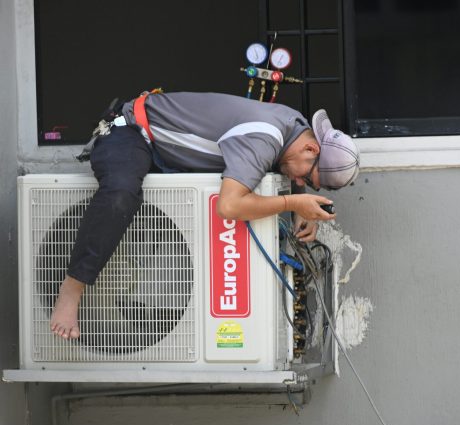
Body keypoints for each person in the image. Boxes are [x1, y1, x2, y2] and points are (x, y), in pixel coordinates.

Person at [50, 91, 359, 340]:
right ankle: (71, 289)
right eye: (309, 177)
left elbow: (290, 168)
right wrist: (292, 202)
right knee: (120, 193)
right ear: (310, 148)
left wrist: (299, 199)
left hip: (166, 154)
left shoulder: (295, 125)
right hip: (131, 132)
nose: (302, 182)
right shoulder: (265, 137)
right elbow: (229, 206)